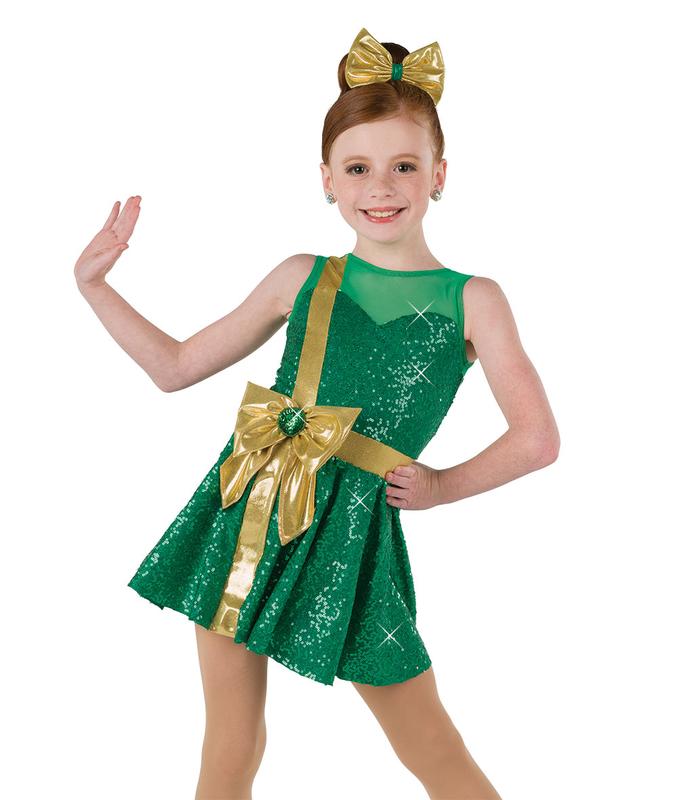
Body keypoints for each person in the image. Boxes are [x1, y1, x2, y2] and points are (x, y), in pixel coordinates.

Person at [74, 26, 558, 800]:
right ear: (327, 179)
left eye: (404, 166)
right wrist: (96, 286)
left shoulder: (474, 300)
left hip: (356, 539)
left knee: (432, 745)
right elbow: (175, 367)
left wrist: (442, 486)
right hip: (249, 510)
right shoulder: (301, 276)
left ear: (439, 174)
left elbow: (536, 440)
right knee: (231, 745)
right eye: (357, 167)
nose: (380, 186)